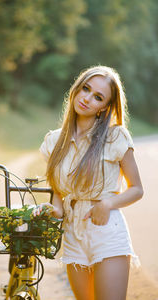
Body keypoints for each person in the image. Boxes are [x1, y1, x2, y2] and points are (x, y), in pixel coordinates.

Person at [35, 65, 143, 300]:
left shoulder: (116, 137)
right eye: (85, 89)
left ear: (104, 108)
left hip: (106, 231)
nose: (87, 98)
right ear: (76, 88)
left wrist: (107, 205)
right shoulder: (54, 141)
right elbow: (58, 194)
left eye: (98, 97)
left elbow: (136, 189)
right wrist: (52, 210)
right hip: (73, 234)